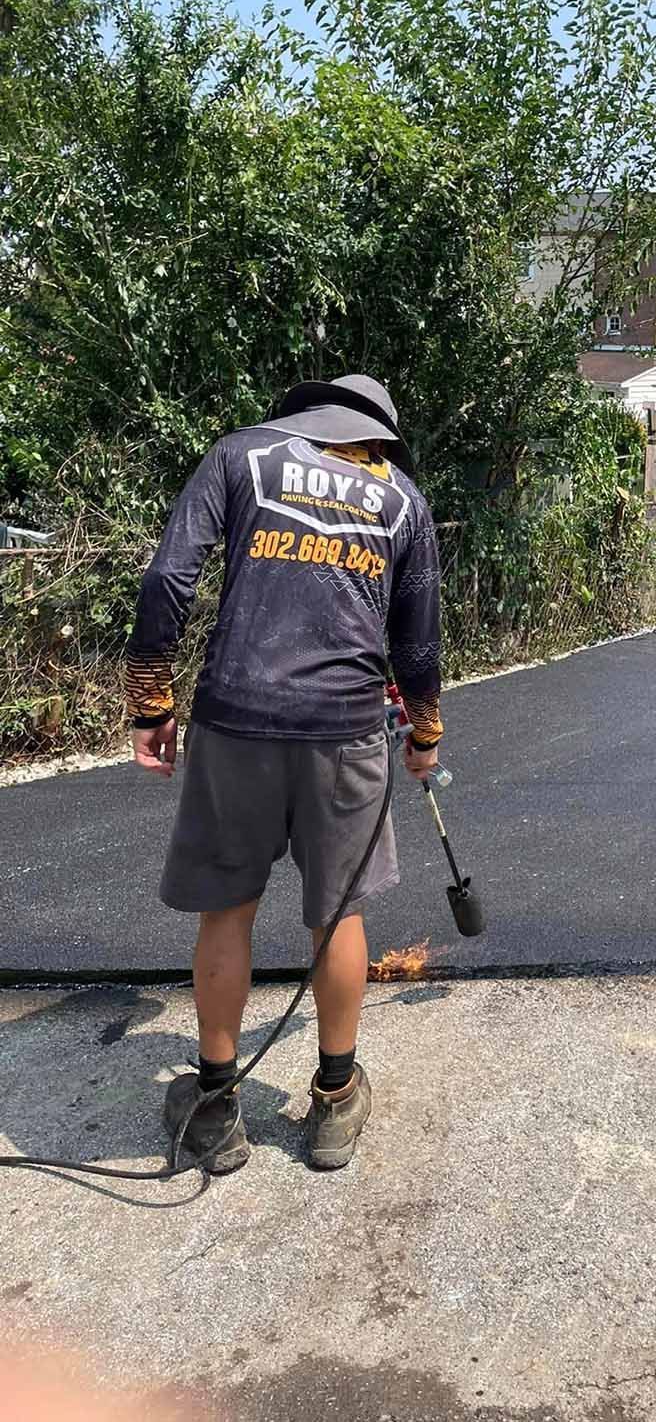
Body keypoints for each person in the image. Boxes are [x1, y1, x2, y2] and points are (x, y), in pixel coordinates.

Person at [125, 374, 443, 1172]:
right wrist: (425, 732)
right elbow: (417, 639)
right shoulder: (400, 498)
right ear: (375, 430)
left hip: (236, 720)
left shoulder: (241, 456)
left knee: (227, 911)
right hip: (344, 731)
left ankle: (214, 1105)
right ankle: (334, 1101)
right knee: (337, 916)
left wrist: (149, 703)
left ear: (303, 412)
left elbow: (169, 577)